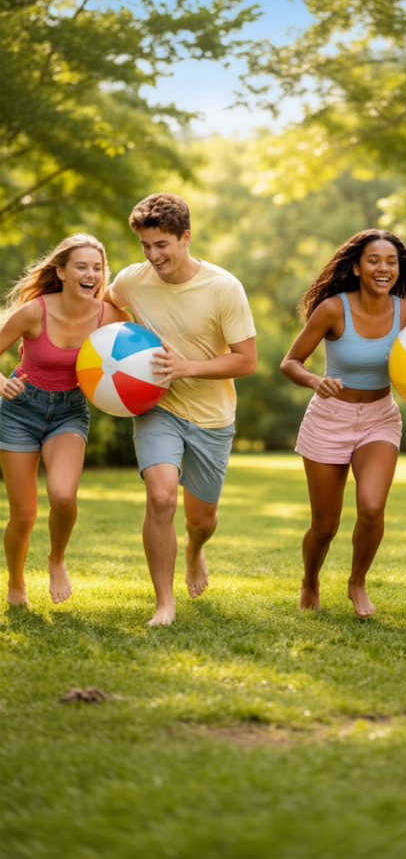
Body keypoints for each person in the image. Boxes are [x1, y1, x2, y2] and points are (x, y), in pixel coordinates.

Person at [104, 192, 257, 626]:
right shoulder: (132, 281)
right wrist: (123, 351)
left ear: (185, 238)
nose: (153, 256)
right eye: (145, 246)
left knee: (202, 520)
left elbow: (246, 360)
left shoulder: (223, 287)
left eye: (161, 245)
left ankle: (194, 549)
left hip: (212, 416)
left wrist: (188, 367)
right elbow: (108, 305)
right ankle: (164, 604)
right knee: (160, 497)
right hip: (157, 407)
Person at [281, 229, 406, 617]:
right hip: (329, 418)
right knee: (325, 525)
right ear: (358, 267)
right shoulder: (332, 309)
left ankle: (357, 582)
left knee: (373, 507)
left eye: (391, 261)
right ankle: (311, 578)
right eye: (374, 260)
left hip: (379, 418)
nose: (383, 268)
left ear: (400, 267)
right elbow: (290, 362)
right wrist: (316, 380)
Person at [0, 234, 131, 606]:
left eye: (97, 268)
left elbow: (141, 349)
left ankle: (56, 559)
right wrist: (1, 384)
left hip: (69, 412)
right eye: (82, 266)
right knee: (23, 516)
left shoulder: (110, 316)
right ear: (61, 271)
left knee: (62, 496)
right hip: (20, 410)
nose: (91, 274)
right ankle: (16, 581)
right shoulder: (34, 311)